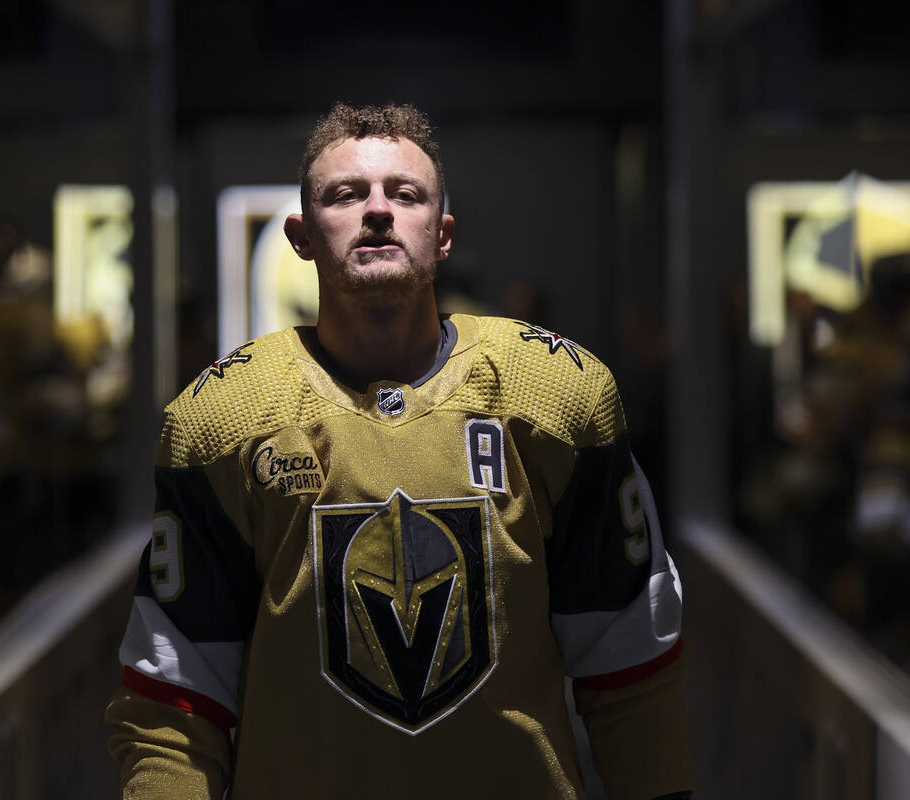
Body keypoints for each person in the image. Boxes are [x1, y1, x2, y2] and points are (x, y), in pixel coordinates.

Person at [106, 103, 693, 800]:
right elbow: (177, 703)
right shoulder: (223, 421)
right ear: (300, 235)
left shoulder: (555, 397)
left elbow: (629, 671)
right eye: (345, 194)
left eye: (404, 194)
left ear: (442, 235)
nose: (377, 210)